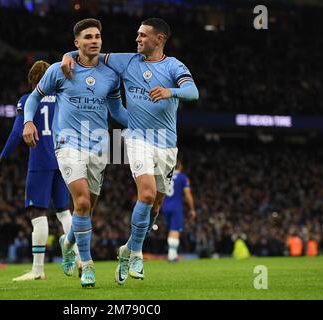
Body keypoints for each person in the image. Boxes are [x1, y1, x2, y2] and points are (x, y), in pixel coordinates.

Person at [61, 18, 199, 285]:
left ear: (159, 39)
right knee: (146, 194)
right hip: (137, 140)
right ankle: (136, 253)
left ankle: (126, 249)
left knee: (155, 206)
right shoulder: (126, 61)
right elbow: (88, 53)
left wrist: (170, 92)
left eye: (143, 36)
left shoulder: (174, 66)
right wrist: (67, 56)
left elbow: (192, 92)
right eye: (137, 35)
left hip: (166, 143)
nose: (137, 39)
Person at [23, 18, 128, 288]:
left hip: (99, 145)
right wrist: (28, 121)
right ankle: (88, 264)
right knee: (80, 203)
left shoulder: (110, 75)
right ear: (77, 43)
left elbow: (116, 111)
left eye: (97, 36)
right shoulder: (60, 70)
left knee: (87, 209)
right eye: (88, 37)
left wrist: (139, 122)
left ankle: (67, 242)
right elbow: (34, 97)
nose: (94, 41)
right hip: (68, 143)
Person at [0, 61, 81, 281]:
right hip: (64, 159)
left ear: (33, 80)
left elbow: (16, 133)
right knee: (64, 212)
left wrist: (2, 159)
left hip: (40, 163)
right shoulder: (64, 99)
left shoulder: (27, 100)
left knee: (37, 213)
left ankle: (38, 270)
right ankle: (80, 258)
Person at [158, 159, 196, 261]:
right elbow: (188, 194)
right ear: (181, 167)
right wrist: (192, 209)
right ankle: (172, 255)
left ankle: (172, 254)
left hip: (165, 206)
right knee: (175, 229)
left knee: (171, 229)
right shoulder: (183, 178)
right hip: (176, 206)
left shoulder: (165, 176)